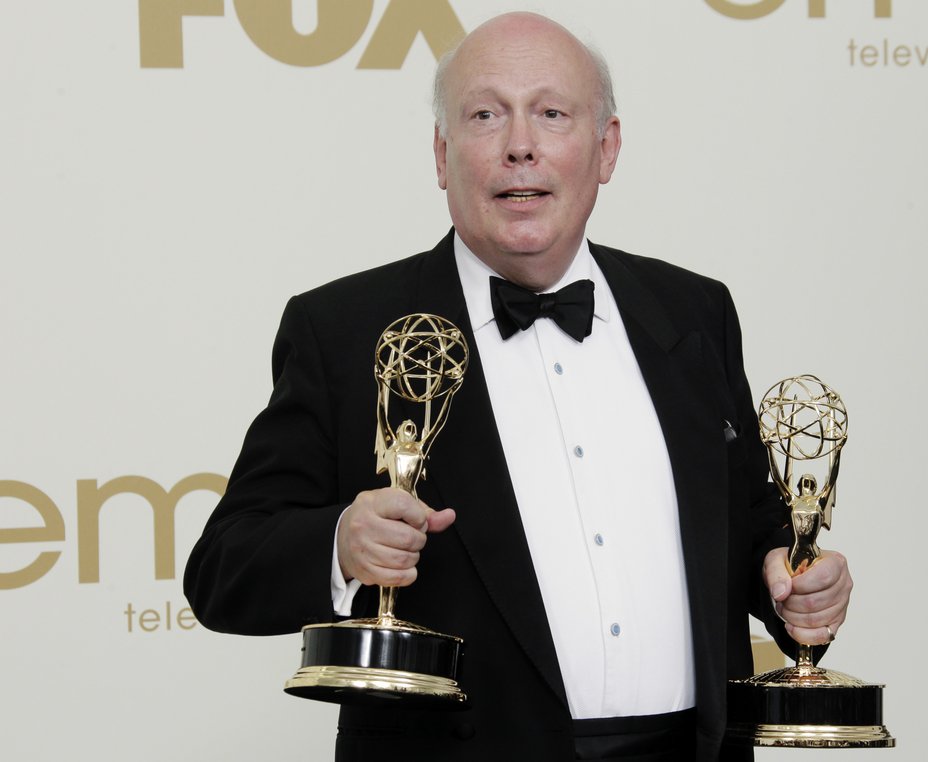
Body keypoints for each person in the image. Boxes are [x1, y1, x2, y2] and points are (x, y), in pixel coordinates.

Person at [184, 12, 853, 761]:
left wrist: (790, 578)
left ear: (607, 147)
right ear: (443, 154)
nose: (520, 145)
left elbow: (752, 522)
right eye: (485, 115)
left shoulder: (695, 312)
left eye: (552, 113)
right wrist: (341, 543)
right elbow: (222, 570)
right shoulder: (344, 330)